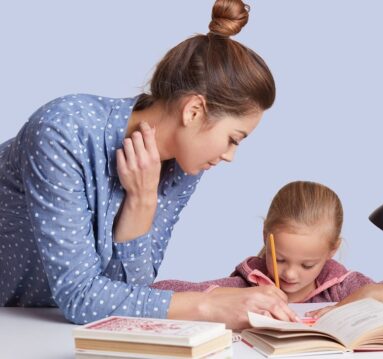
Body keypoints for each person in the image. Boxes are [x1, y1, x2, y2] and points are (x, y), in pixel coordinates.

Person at [0, 0, 299, 329]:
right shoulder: (63, 131)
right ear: (194, 111)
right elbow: (81, 297)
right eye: (233, 138)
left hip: (39, 327)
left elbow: (130, 294)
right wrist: (209, 305)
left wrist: (141, 202)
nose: (230, 155)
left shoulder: (184, 167)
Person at [152, 181, 383, 318]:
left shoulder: (345, 287)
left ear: (332, 250)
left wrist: (375, 293)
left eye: (308, 264)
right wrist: (227, 296)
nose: (291, 274)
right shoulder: (244, 285)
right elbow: (156, 293)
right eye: (280, 258)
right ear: (265, 236)